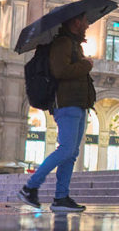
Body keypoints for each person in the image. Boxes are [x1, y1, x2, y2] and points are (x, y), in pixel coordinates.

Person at [17, 13, 95, 212]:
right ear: (75, 22)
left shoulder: (73, 44)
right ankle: (30, 187)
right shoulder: (63, 43)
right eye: (85, 20)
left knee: (71, 154)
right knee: (66, 149)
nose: (87, 24)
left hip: (78, 103)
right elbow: (60, 71)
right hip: (67, 103)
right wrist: (86, 65)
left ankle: (61, 198)